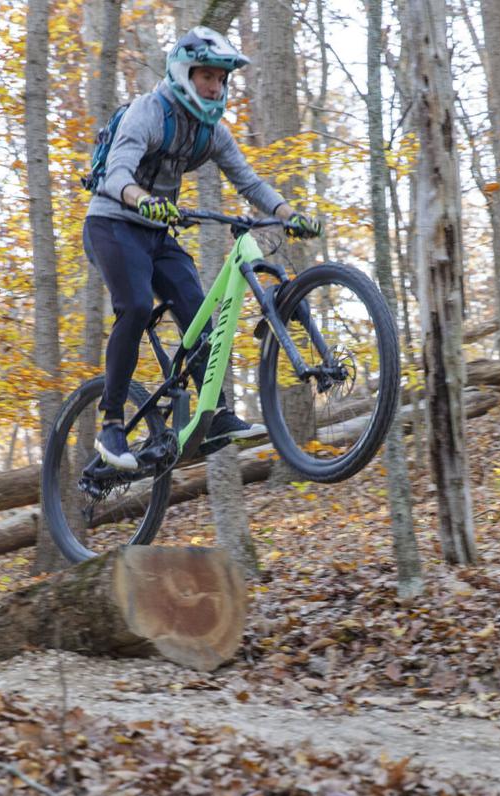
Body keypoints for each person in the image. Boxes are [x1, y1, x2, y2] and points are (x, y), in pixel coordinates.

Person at [85, 26, 322, 470]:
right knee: (134, 306)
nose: (214, 86)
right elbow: (115, 175)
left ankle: (213, 417)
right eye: (206, 76)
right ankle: (112, 422)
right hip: (112, 223)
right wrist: (145, 201)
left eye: (220, 79)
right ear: (183, 73)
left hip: (157, 233)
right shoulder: (149, 112)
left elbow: (248, 181)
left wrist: (289, 214)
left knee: (200, 316)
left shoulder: (210, 132)